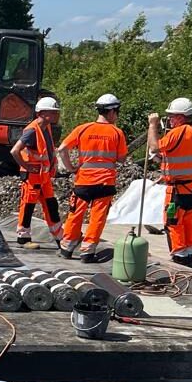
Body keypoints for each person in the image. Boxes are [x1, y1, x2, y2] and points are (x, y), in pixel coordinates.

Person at [57, 94, 128, 262]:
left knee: (75, 215)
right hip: (105, 183)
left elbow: (62, 149)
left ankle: (67, 248)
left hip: (83, 181)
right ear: (111, 112)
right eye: (116, 112)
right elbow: (122, 158)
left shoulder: (83, 129)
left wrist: (70, 168)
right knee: (97, 218)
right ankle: (87, 252)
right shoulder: (117, 133)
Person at [150, 98, 192, 267]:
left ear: (181, 117)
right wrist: (166, 172)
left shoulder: (178, 132)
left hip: (178, 189)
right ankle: (189, 253)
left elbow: (154, 147)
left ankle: (179, 254)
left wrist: (153, 126)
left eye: (172, 116)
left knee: (173, 221)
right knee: (188, 221)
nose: (170, 120)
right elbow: (181, 157)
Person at [10, 96, 64, 246]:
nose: (56, 115)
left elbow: (48, 151)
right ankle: (23, 237)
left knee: (51, 204)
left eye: (56, 112)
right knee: (28, 205)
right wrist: (26, 166)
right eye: (53, 112)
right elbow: (15, 151)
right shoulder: (32, 131)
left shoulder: (45, 128)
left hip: (43, 175)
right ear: (41, 113)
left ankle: (60, 237)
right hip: (32, 176)